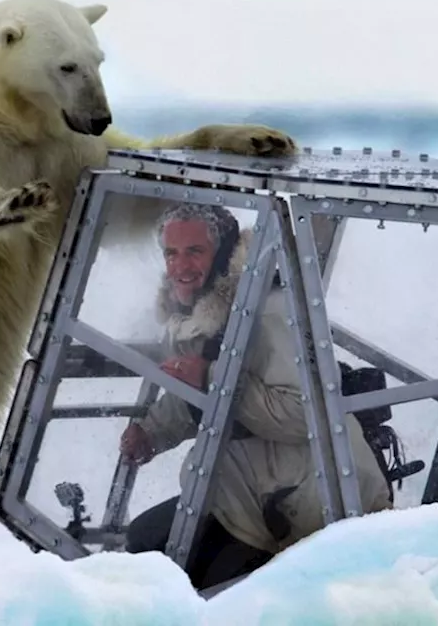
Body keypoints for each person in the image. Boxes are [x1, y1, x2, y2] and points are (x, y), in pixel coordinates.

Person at [118, 202, 392, 590]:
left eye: (194, 251)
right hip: (243, 485)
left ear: (224, 254)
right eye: (171, 253)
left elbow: (304, 415)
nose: (180, 266)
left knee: (200, 592)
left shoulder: (270, 310)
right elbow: (197, 394)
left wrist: (214, 379)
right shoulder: (202, 311)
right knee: (145, 541)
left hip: (310, 498)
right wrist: (152, 431)